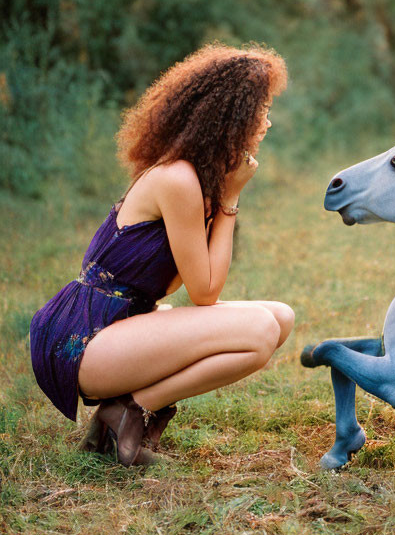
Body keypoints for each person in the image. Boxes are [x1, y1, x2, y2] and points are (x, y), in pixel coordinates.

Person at [29, 43, 294, 467]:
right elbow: (205, 293)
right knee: (260, 329)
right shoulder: (178, 179)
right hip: (82, 337)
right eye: (259, 110)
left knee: (280, 317)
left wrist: (221, 198)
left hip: (120, 325)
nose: (266, 121)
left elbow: (182, 283)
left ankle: (126, 411)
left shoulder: (194, 177)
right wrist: (230, 198)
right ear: (232, 118)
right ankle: (126, 414)